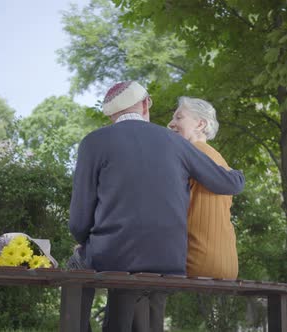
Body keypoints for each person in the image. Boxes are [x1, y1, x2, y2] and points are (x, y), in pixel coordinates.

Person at [69, 81, 245, 332]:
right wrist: (238, 175)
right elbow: (229, 183)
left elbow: (79, 221)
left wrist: (85, 241)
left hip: (115, 256)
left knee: (75, 267)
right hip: (170, 258)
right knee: (145, 292)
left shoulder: (93, 142)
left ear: (110, 114)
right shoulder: (178, 143)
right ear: (145, 104)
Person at [167, 97, 238, 279]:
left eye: (179, 118)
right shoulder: (217, 158)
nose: (171, 124)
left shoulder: (190, 155)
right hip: (227, 263)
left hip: (196, 262)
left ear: (200, 124)